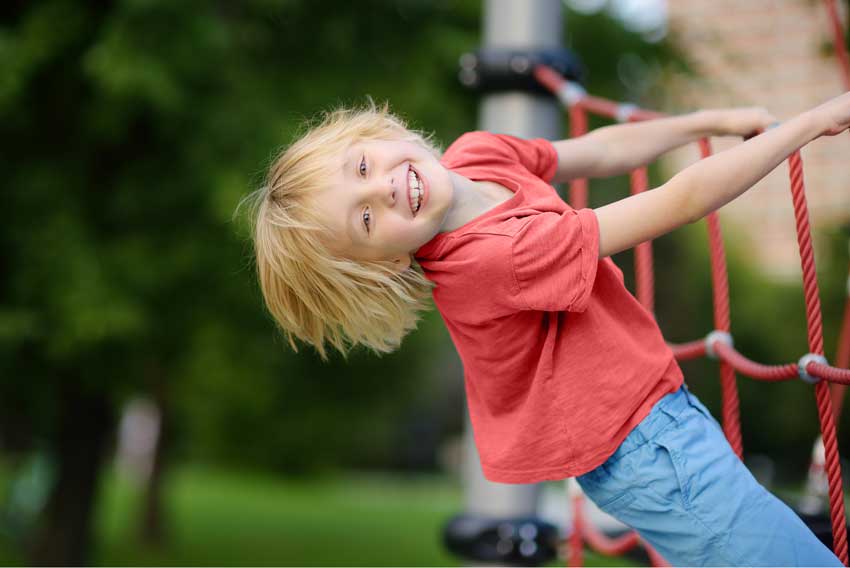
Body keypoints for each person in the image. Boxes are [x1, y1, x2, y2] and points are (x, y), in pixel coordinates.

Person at [245, 91, 850, 566]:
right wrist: (806, 126)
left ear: (378, 135)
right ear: (390, 261)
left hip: (655, 415)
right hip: (646, 452)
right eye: (367, 219)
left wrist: (710, 120)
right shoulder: (490, 258)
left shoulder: (475, 156)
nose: (384, 187)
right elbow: (678, 201)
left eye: (362, 167)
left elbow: (602, 150)